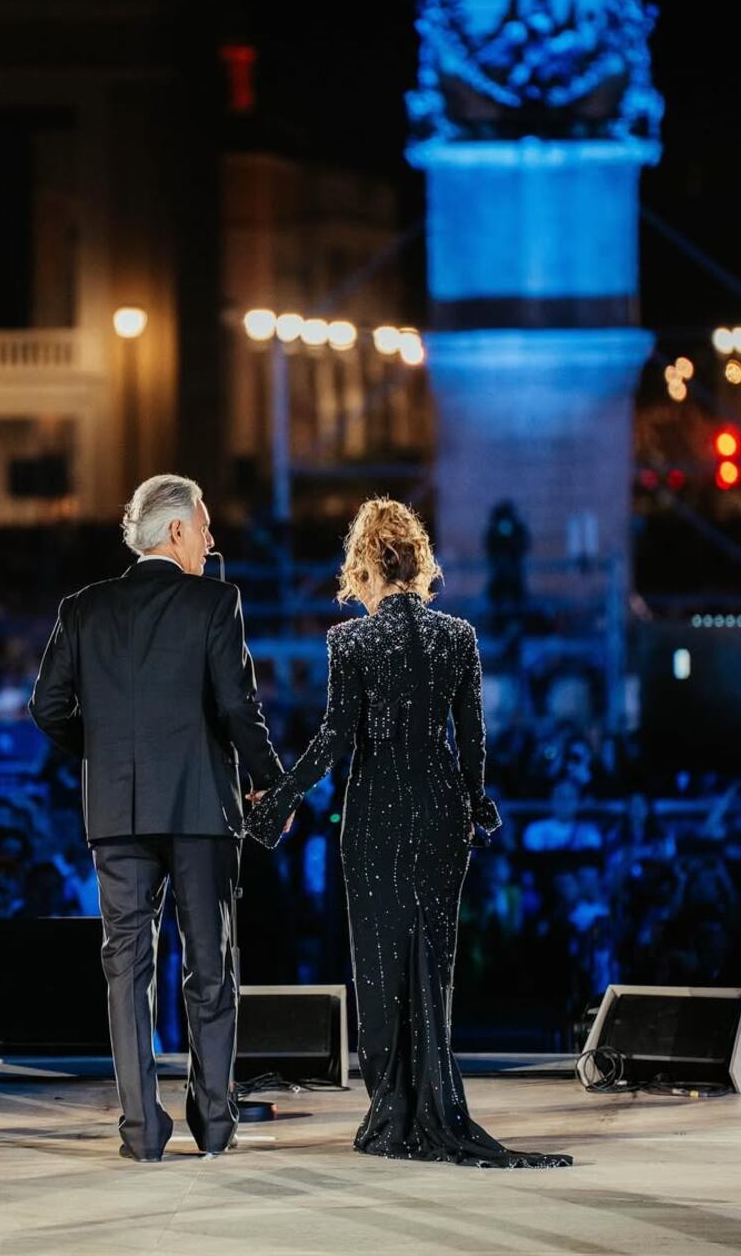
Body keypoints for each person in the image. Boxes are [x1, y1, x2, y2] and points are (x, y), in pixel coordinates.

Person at [247, 497, 571, 1168]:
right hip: (441, 810)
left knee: (381, 963)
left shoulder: (350, 641)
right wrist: (476, 802)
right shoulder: (459, 637)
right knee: (434, 963)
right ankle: (433, 1102)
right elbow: (472, 740)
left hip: (375, 816)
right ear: (421, 563)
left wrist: (278, 797)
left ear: (364, 566)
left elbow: (336, 738)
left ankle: (393, 1108)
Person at [29, 473, 283, 1162]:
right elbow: (237, 707)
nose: (211, 538)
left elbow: (46, 707)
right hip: (200, 807)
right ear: (176, 529)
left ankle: (141, 1131)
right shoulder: (215, 600)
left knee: (126, 970)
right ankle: (215, 1123)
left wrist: (107, 752)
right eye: (204, 525)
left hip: (115, 810)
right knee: (209, 967)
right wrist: (274, 784)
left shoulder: (83, 608)